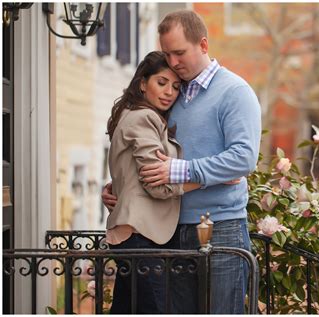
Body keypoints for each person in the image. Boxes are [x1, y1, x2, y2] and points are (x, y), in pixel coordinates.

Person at [102, 9, 262, 314]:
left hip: (221, 227)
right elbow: (146, 155)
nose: (173, 62)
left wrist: (184, 171)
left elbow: (243, 157)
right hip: (169, 231)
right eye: (167, 54)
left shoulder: (235, 92)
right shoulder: (171, 95)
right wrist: (121, 188)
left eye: (179, 52)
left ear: (203, 45)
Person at [105, 51, 202, 313]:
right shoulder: (143, 118)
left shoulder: (133, 115)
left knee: (127, 310)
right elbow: (157, 186)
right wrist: (204, 179)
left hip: (135, 235)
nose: (169, 92)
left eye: (175, 86)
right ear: (142, 83)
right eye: (161, 82)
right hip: (139, 235)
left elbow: (130, 176)